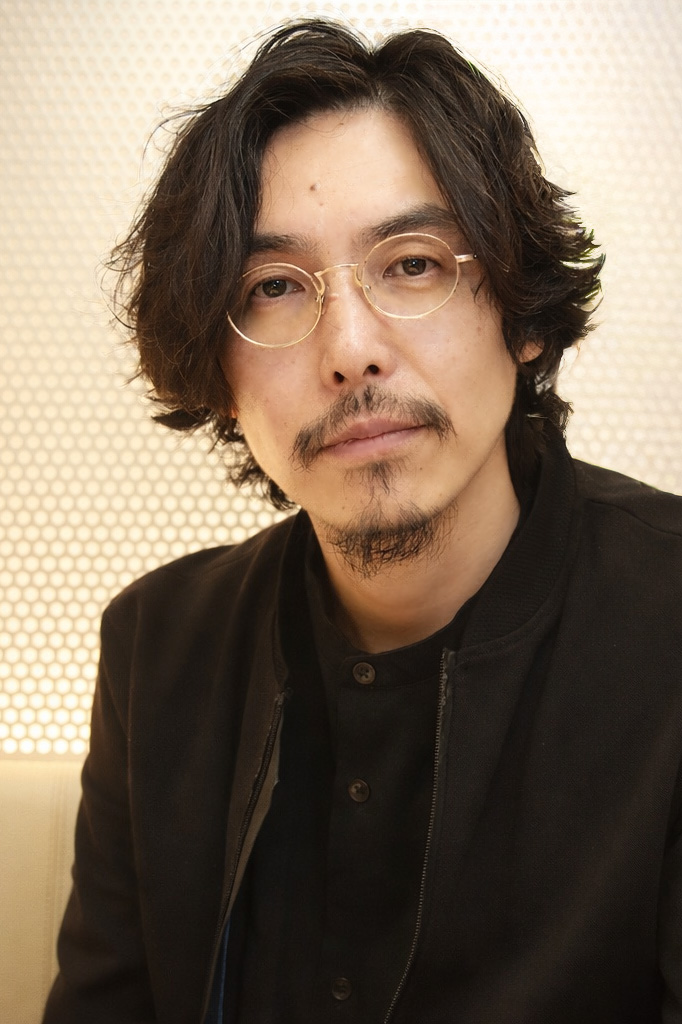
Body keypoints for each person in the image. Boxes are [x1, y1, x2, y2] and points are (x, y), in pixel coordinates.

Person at [43, 17, 682, 1024]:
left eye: (412, 264)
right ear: (220, 377)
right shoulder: (157, 648)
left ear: (520, 313)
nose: (349, 349)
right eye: (273, 287)